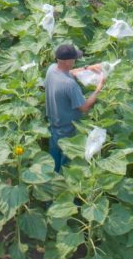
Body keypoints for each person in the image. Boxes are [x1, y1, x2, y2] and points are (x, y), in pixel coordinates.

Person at [44, 44, 104, 173]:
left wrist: (87, 68)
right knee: (67, 164)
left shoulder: (51, 69)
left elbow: (69, 72)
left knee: (53, 160)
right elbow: (85, 108)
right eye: (74, 59)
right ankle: (63, 184)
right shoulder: (70, 85)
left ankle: (52, 180)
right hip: (68, 129)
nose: (75, 60)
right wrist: (99, 88)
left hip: (54, 125)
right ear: (67, 61)